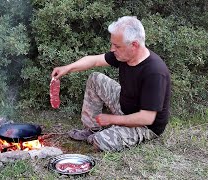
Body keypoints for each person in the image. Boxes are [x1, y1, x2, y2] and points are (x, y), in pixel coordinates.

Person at [51, 16, 171, 152]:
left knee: (100, 142)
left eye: (117, 46)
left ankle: (106, 133)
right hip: (125, 105)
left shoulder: (154, 72)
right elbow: (94, 60)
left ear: (134, 45)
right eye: (112, 44)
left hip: (145, 126)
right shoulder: (124, 55)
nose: (112, 49)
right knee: (95, 78)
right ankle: (92, 129)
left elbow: (147, 118)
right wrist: (67, 68)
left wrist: (112, 119)